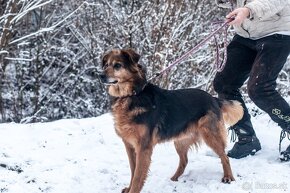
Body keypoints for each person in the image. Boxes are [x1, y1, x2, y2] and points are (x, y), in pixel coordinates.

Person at [213, 0, 290, 160]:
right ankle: (247, 138)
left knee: (259, 89)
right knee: (224, 84)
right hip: (245, 33)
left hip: (277, 33)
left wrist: (248, 10)